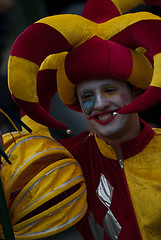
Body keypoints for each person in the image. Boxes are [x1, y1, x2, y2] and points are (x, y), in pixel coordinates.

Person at [2, 0, 161, 239]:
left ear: (136, 91)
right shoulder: (64, 162)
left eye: (109, 90)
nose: (98, 103)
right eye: (87, 95)